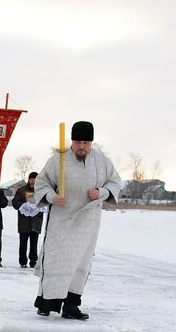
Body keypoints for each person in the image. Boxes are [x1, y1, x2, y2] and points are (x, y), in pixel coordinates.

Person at [33, 120, 121, 320]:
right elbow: (42, 183)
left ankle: (72, 306)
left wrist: (101, 192)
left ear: (92, 142)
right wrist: (52, 197)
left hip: (87, 222)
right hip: (61, 220)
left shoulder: (101, 160)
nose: (82, 146)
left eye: (86, 142)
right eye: (78, 142)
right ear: (72, 141)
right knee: (56, 262)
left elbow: (115, 182)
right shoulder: (58, 159)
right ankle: (47, 303)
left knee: (80, 263)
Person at [12, 171, 43, 268]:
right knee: (23, 243)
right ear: (28, 180)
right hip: (24, 222)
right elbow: (15, 202)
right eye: (32, 179)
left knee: (34, 244)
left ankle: (33, 261)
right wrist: (24, 205)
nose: (33, 181)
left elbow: (45, 202)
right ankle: (23, 262)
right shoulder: (21, 190)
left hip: (36, 221)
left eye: (35, 179)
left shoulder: (41, 190)